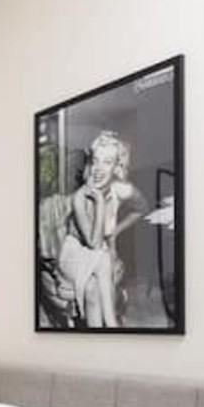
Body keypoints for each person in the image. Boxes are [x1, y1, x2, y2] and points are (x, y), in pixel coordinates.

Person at [57, 131, 148, 327]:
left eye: (107, 162)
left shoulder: (121, 190)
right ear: (90, 163)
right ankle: (106, 328)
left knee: (103, 265)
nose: (99, 168)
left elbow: (142, 208)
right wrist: (99, 203)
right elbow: (94, 243)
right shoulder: (80, 197)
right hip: (74, 254)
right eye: (96, 161)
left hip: (99, 254)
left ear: (117, 167)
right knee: (95, 281)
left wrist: (116, 231)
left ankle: (111, 324)